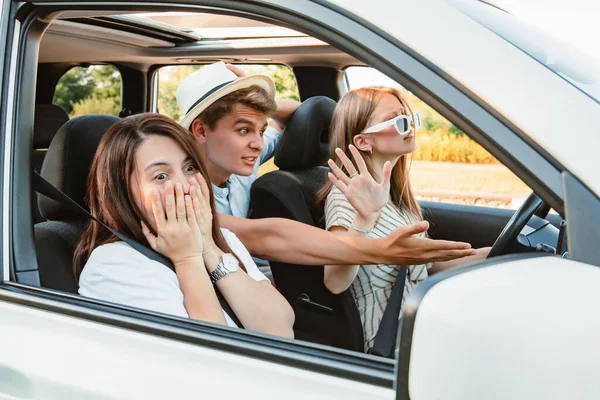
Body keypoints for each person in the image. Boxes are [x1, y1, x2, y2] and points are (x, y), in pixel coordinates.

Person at [75, 113, 295, 338]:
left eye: (190, 168)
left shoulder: (222, 238)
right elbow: (212, 355)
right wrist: (186, 259)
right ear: (122, 193)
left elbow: (281, 330)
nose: (185, 186)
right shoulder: (114, 265)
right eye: (161, 176)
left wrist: (208, 248)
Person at [316, 86, 489, 351]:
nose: (410, 127)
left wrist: (490, 256)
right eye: (399, 121)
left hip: (419, 322)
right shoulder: (346, 196)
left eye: (410, 118)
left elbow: (422, 267)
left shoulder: (396, 197)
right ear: (364, 141)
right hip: (390, 340)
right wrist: (363, 219)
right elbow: (335, 282)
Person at [177, 62, 300, 218]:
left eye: (262, 131)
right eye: (244, 130)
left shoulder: (242, 161)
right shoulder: (183, 195)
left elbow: (299, 112)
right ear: (201, 131)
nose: (259, 145)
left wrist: (259, 102)